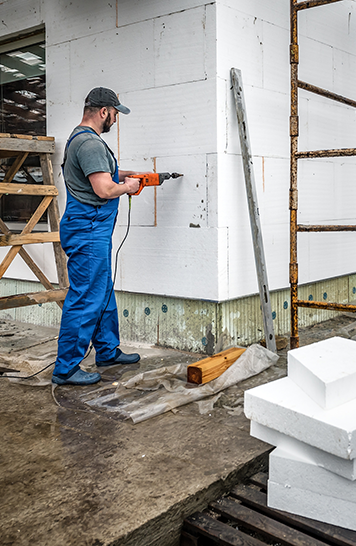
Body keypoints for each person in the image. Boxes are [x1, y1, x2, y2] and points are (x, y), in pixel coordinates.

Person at [52, 87, 141, 386]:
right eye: (115, 114)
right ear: (104, 112)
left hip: (92, 229)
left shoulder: (83, 140)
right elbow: (103, 189)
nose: (115, 119)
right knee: (86, 295)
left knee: (102, 291)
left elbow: (104, 174)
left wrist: (135, 176)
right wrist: (128, 187)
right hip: (87, 229)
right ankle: (66, 369)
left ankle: (106, 350)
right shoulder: (89, 143)